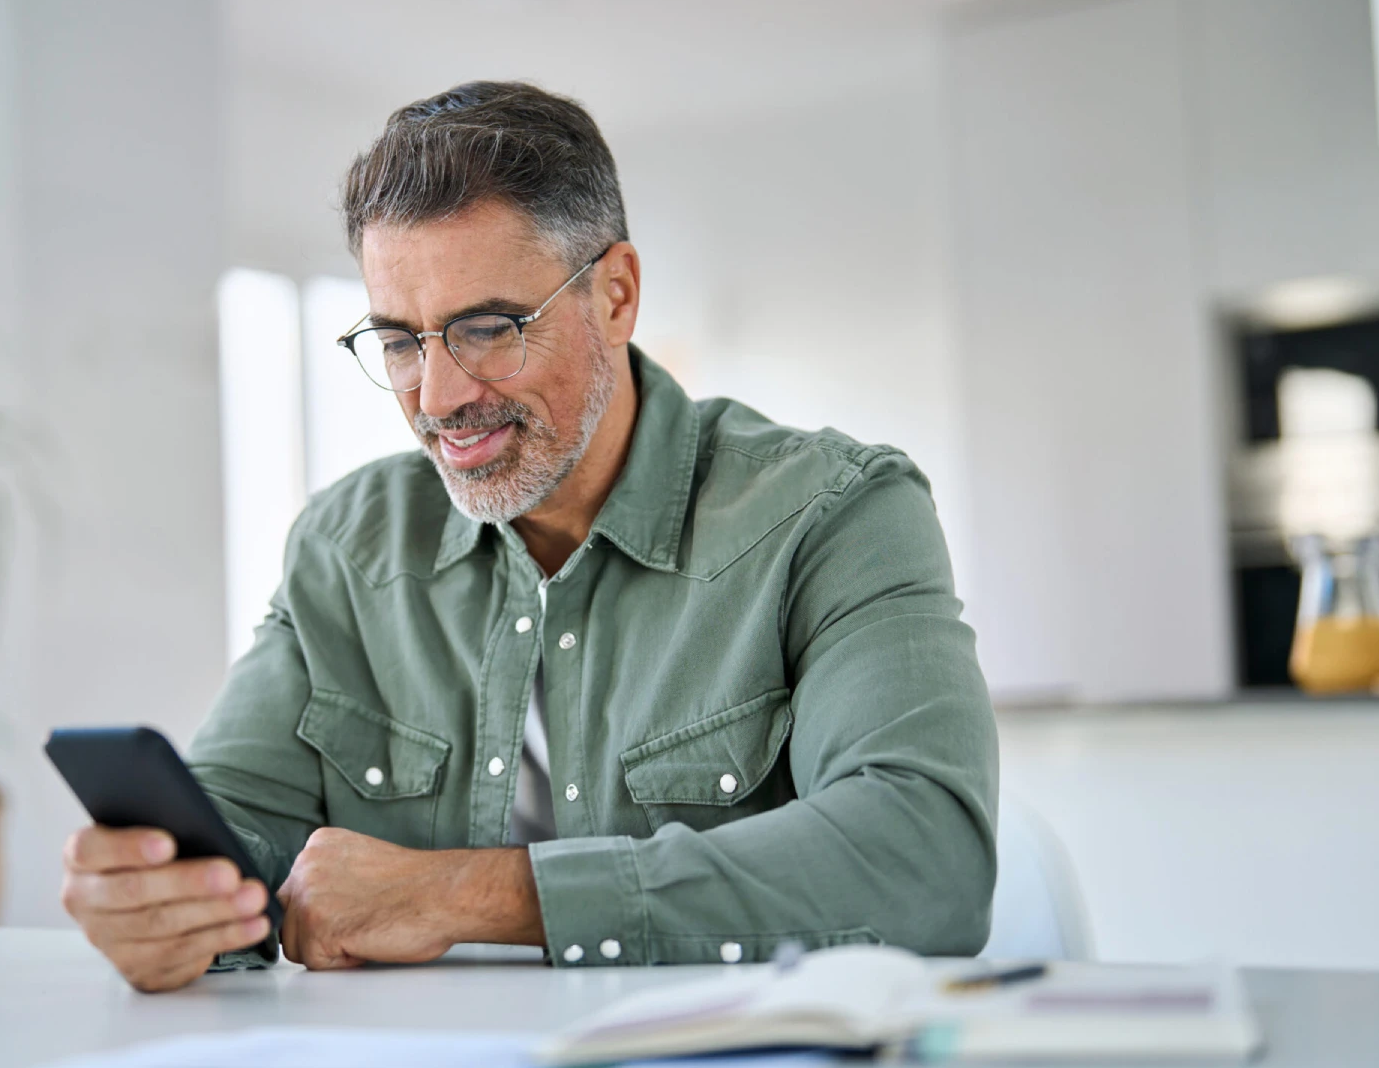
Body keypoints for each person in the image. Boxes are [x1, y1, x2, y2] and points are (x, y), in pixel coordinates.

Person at [60, 81, 998, 991]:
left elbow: (927, 855)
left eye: (488, 327)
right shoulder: (346, 549)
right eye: (399, 342)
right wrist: (163, 906)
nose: (438, 399)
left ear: (617, 296)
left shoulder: (835, 513)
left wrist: (470, 895)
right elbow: (236, 832)